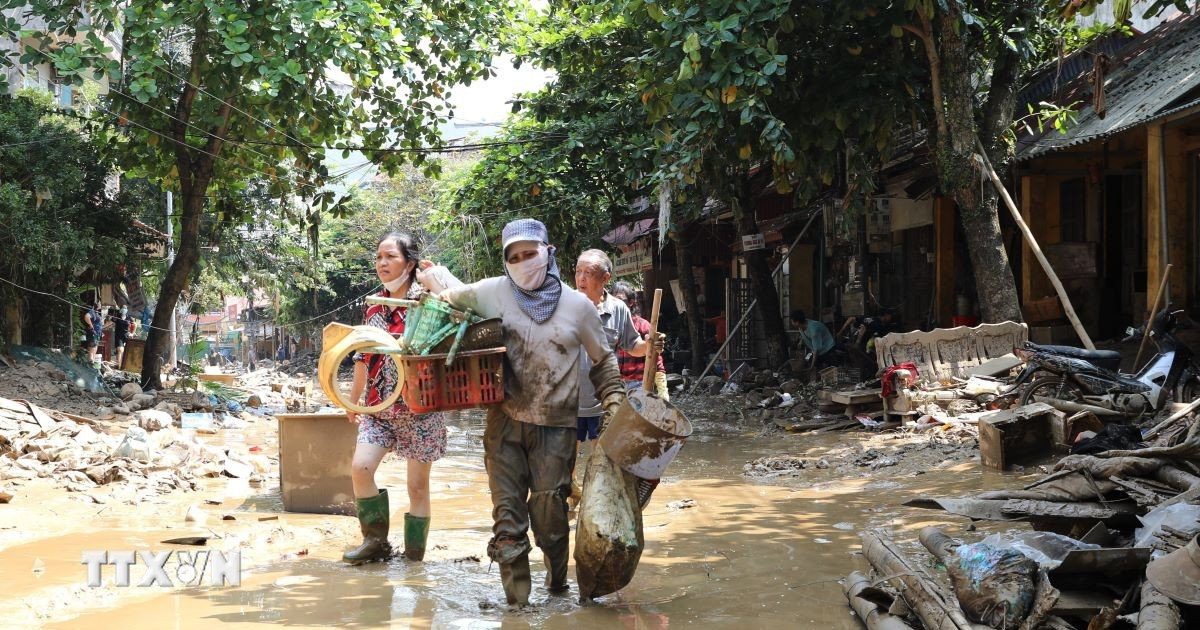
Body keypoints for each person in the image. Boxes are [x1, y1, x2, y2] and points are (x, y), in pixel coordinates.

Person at [435, 219, 628, 606]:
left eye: (530, 253)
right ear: (506, 262)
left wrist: (615, 405)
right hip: (503, 422)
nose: (523, 262)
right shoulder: (494, 292)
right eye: (514, 257)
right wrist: (434, 295)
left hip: (556, 428)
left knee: (550, 518)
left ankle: (557, 584)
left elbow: (603, 360)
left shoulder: (578, 306)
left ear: (548, 251)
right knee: (507, 520)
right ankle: (518, 608)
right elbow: (447, 300)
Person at [341, 230, 448, 565]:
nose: (383, 263)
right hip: (379, 407)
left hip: (420, 409)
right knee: (360, 468)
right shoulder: (374, 305)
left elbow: (459, 310)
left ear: (410, 262)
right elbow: (363, 356)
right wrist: (353, 401)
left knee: (417, 487)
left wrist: (436, 280)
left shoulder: (428, 301)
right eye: (379, 257)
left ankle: (414, 559)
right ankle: (376, 543)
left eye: (391, 257)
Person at [571, 252, 659, 509]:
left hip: (603, 404)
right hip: (568, 402)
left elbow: (633, 346)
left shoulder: (618, 310)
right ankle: (572, 499)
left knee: (605, 461)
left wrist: (651, 345)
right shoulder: (565, 305)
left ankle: (598, 508)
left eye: (588, 273)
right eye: (578, 272)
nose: (581, 279)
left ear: (605, 277)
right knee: (566, 465)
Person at [610, 281, 668, 398]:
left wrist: (662, 387)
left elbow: (655, 357)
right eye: (613, 300)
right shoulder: (609, 325)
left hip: (638, 384)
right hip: (615, 385)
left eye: (620, 300)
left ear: (631, 302)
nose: (616, 304)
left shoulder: (643, 325)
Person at [81, 299, 102, 364]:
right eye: (100, 303)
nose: (101, 305)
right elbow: (86, 316)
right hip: (92, 332)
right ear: (96, 304)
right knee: (91, 349)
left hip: (97, 333)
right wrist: (91, 325)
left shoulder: (96, 312)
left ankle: (92, 363)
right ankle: (90, 363)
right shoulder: (92, 312)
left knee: (94, 348)